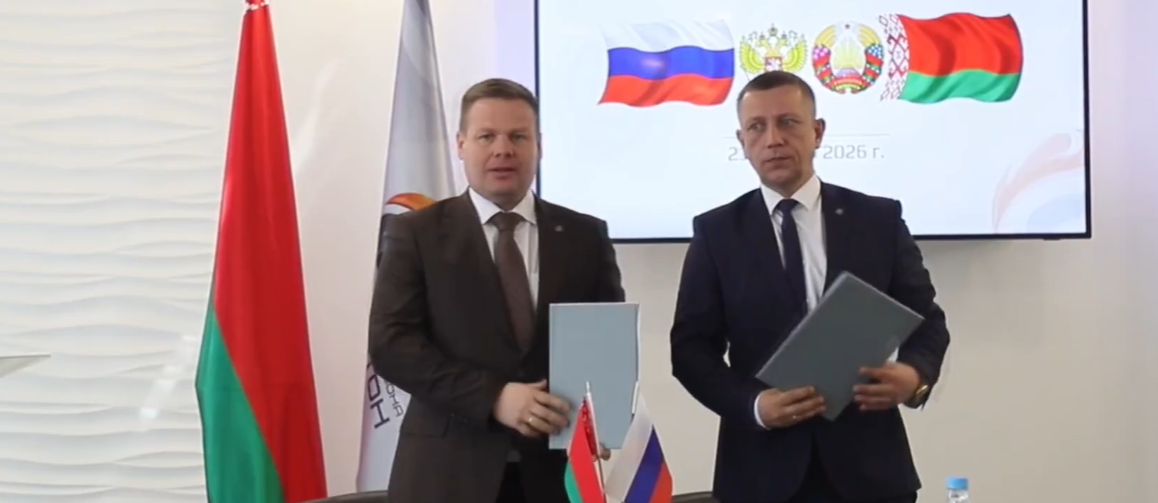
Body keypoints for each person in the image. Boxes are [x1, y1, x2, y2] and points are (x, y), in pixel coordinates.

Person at [669, 71, 950, 503]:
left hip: (871, 471)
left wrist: (914, 378)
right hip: (761, 473)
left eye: (788, 122)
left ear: (817, 132)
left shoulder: (876, 220)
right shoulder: (717, 232)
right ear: (742, 141)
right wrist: (753, 406)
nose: (773, 140)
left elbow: (927, 321)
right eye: (757, 127)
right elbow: (690, 349)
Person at [369, 77, 625, 503]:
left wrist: (603, 414)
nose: (503, 149)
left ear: (538, 146)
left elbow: (603, 341)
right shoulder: (415, 233)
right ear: (461, 144)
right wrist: (494, 398)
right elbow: (391, 345)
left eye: (518, 136)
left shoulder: (585, 235)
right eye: (487, 136)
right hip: (446, 474)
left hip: (556, 476)